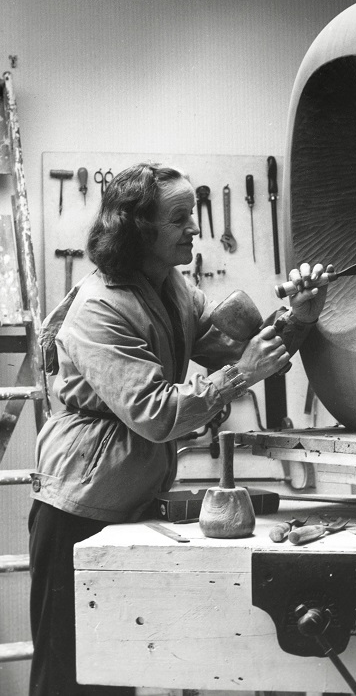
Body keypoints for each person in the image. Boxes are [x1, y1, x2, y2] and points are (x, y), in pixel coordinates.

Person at [28, 162, 329, 696]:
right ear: (137, 228)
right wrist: (240, 375)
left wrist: (299, 317)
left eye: (193, 214)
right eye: (180, 218)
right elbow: (159, 414)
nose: (196, 228)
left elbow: (245, 350)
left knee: (119, 671)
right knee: (69, 678)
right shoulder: (100, 309)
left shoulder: (170, 286)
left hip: (129, 506)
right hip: (75, 511)